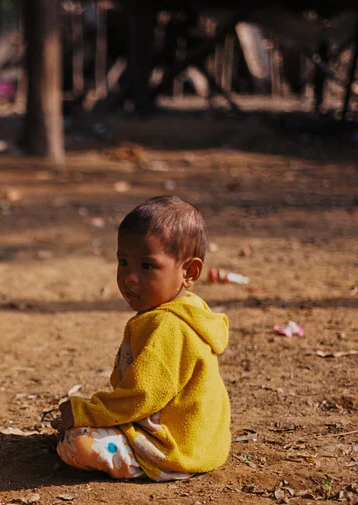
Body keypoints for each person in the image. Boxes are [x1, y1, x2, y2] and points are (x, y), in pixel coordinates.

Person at [56, 195, 230, 481]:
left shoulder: (168, 326)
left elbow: (141, 396)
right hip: (200, 442)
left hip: (173, 450)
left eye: (147, 266)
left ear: (189, 271)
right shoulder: (188, 310)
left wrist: (84, 412)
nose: (129, 278)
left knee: (77, 443)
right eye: (123, 262)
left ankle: (139, 462)